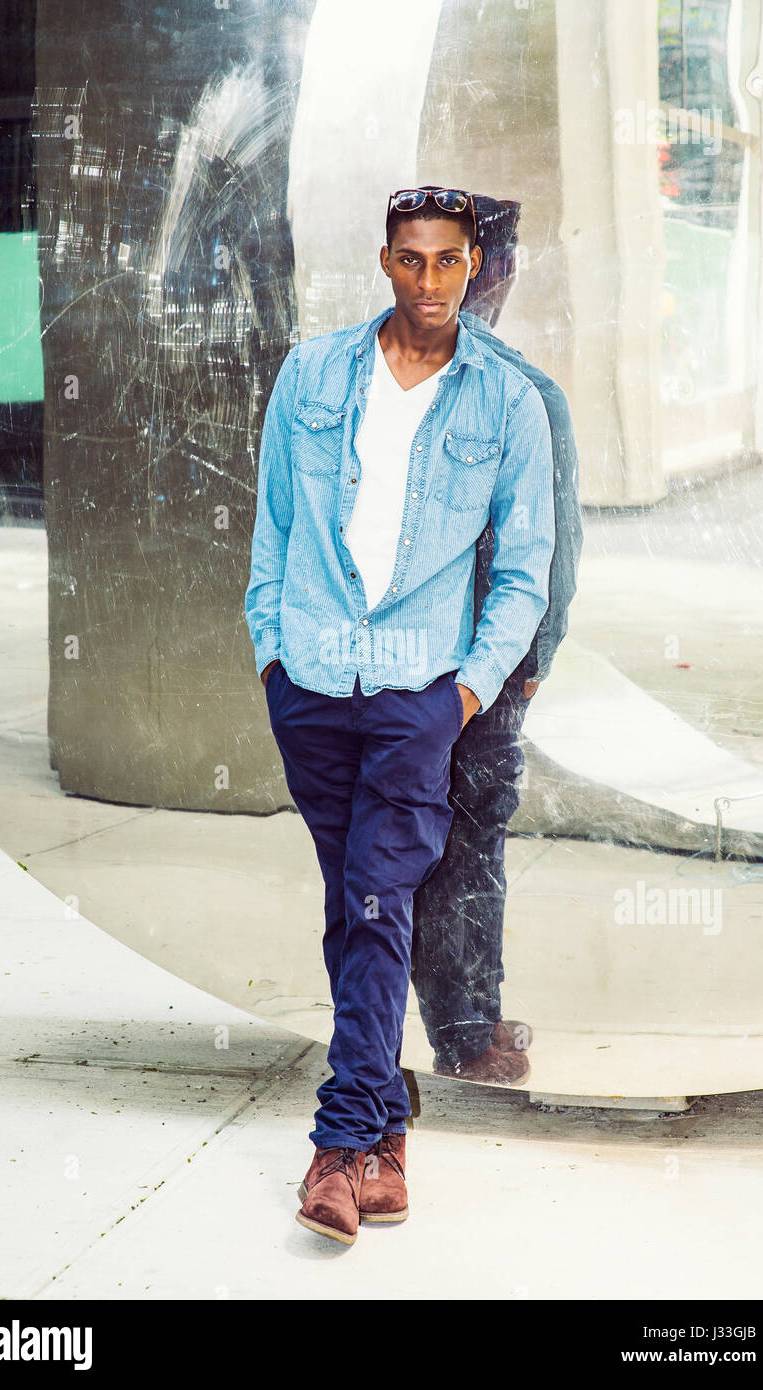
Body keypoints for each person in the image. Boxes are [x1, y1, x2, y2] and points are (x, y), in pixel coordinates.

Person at [244, 186, 556, 1245]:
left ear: (477, 268)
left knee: (379, 901)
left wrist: (461, 691)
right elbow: (273, 529)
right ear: (386, 262)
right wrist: (271, 653)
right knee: (355, 908)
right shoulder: (313, 374)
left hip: (419, 693)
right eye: (411, 261)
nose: (430, 283)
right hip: (314, 681)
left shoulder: (507, 403)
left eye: (450, 262)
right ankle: (387, 1133)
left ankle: (337, 1147)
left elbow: (524, 574)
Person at [411, 193, 584, 1084]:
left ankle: (463, 1011)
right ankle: (465, 1029)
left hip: (400, 662)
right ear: (503, 271)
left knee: (425, 838)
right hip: (476, 668)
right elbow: (551, 553)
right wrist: (530, 664)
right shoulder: (526, 394)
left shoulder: (368, 378)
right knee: (466, 840)